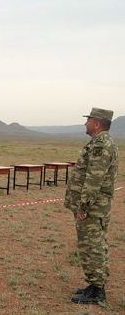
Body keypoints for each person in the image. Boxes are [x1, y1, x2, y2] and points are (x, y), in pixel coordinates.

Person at [65, 107, 119, 304]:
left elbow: (93, 179)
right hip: (97, 206)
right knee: (95, 245)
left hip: (93, 208)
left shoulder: (101, 145)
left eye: (88, 120)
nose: (85, 123)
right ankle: (95, 285)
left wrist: (84, 206)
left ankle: (97, 292)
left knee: (92, 246)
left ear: (96, 123)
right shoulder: (101, 143)